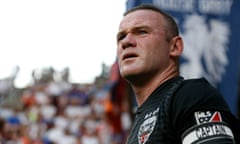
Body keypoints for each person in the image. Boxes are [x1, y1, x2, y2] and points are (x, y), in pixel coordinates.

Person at [116, 4, 240, 144]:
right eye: (121, 37)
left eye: (142, 32)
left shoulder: (191, 95)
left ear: (175, 46)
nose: (126, 42)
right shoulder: (137, 125)